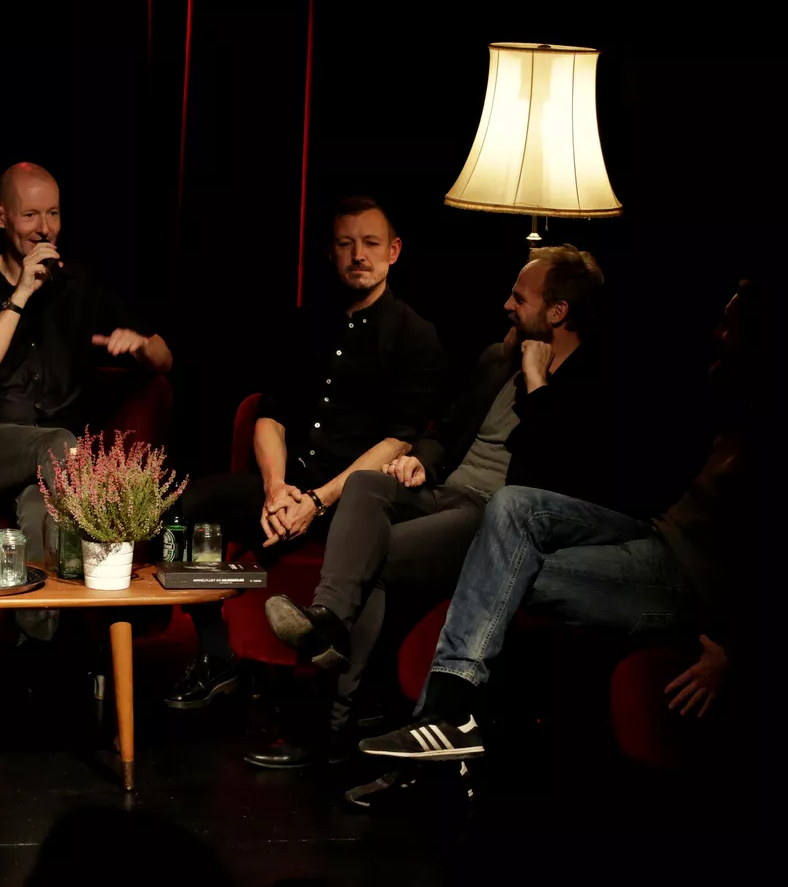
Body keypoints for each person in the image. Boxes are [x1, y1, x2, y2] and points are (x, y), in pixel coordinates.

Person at [359, 281, 760, 762]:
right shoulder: (733, 409)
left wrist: (736, 648)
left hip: (685, 580)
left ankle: (444, 715)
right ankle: (448, 718)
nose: (717, 333)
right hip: (655, 534)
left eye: (730, 325)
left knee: (498, 573)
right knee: (512, 505)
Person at [260, 244, 611, 766]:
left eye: (520, 298)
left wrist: (540, 383)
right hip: (444, 493)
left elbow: (559, 473)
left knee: (376, 555)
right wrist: (420, 461)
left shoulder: (591, 380)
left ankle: (329, 727)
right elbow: (444, 431)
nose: (506, 306)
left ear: (558, 311)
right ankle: (328, 618)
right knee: (365, 486)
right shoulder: (498, 359)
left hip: (495, 519)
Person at [166, 197, 446, 712]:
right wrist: (276, 490)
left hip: (349, 500)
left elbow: (399, 441)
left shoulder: (416, 336)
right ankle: (217, 651)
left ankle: (321, 691)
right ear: (331, 252)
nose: (358, 255)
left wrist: (316, 502)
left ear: (394, 251)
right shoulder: (306, 321)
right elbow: (269, 414)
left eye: (370, 243)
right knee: (185, 511)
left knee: (353, 527)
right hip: (287, 485)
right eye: (346, 244)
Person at [0, 161, 173, 557]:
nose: (44, 228)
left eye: (53, 213)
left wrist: (140, 346)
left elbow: (164, 359)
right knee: (59, 443)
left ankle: (49, 597)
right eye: (30, 215)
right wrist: (20, 293)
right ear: (0, 217)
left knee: (42, 512)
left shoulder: (81, 285)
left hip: (55, 468)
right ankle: (110, 553)